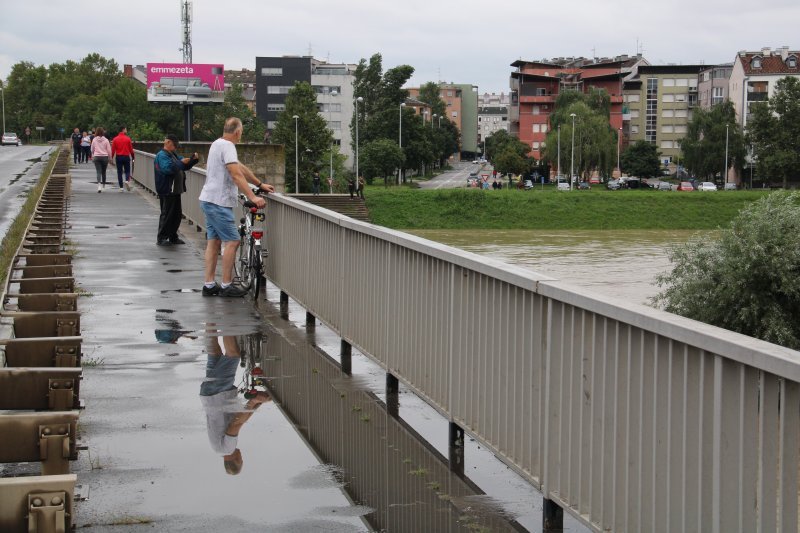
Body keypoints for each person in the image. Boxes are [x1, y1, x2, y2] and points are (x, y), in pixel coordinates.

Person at [199, 117, 275, 298]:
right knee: (232, 241)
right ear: (238, 132)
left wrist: (259, 183)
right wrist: (253, 196)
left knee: (214, 242)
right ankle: (226, 285)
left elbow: (240, 168)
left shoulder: (217, 144)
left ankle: (209, 285)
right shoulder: (228, 146)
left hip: (209, 200)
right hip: (218, 203)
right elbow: (235, 175)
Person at [200, 333, 271, 475]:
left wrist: (253, 401)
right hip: (208, 395)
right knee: (214, 352)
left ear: (236, 460)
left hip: (218, 393)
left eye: (241, 460)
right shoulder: (217, 449)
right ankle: (211, 315)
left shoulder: (228, 448)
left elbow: (236, 424)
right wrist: (257, 405)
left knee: (233, 354)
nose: (242, 456)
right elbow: (239, 421)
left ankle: (228, 320)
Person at [154, 134, 199, 246]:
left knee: (176, 215)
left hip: (175, 189)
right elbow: (168, 169)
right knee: (167, 214)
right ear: (168, 142)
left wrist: (192, 160)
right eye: (174, 145)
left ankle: (173, 236)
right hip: (167, 189)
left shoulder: (172, 154)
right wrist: (181, 162)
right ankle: (162, 237)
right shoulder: (162, 156)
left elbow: (182, 165)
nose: (175, 148)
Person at [111, 125, 135, 191]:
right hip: (126, 156)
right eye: (126, 129)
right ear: (123, 130)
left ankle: (121, 187)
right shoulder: (128, 138)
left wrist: (111, 157)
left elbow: (113, 150)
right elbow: (131, 149)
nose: (126, 130)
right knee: (127, 171)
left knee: (119, 172)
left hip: (118, 157)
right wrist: (133, 157)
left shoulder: (115, 139)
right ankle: (127, 180)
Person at [90, 127, 112, 193]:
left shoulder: (94, 140)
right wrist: (110, 158)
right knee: (104, 172)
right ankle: (104, 186)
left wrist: (93, 154)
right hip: (104, 157)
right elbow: (109, 150)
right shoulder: (106, 140)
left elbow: (92, 149)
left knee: (98, 171)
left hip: (97, 157)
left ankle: (99, 185)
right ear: (103, 132)